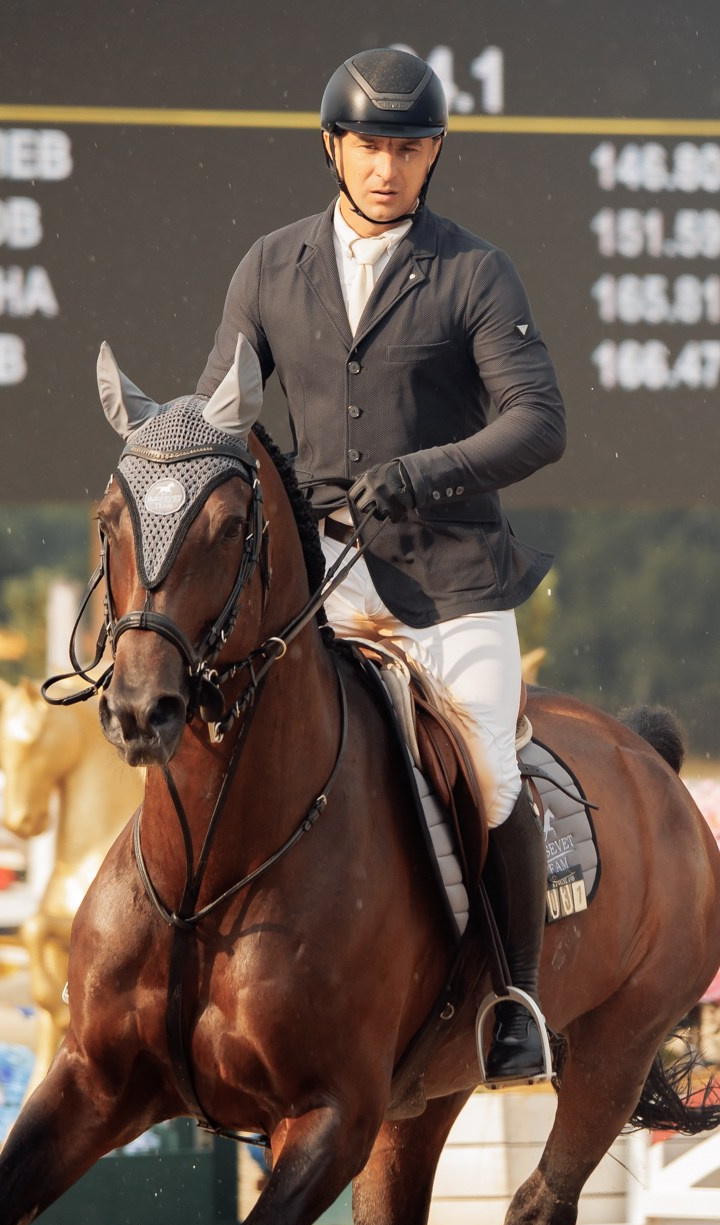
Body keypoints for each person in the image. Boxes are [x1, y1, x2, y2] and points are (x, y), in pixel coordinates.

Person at [195, 47, 565, 1083]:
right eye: (369, 144)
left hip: (449, 580)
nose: (387, 165)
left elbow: (539, 422)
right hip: (318, 579)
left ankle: (514, 999)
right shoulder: (269, 267)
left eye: (408, 146)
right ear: (333, 147)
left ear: (434, 151)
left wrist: (423, 473)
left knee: (489, 766)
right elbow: (223, 412)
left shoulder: (473, 271)